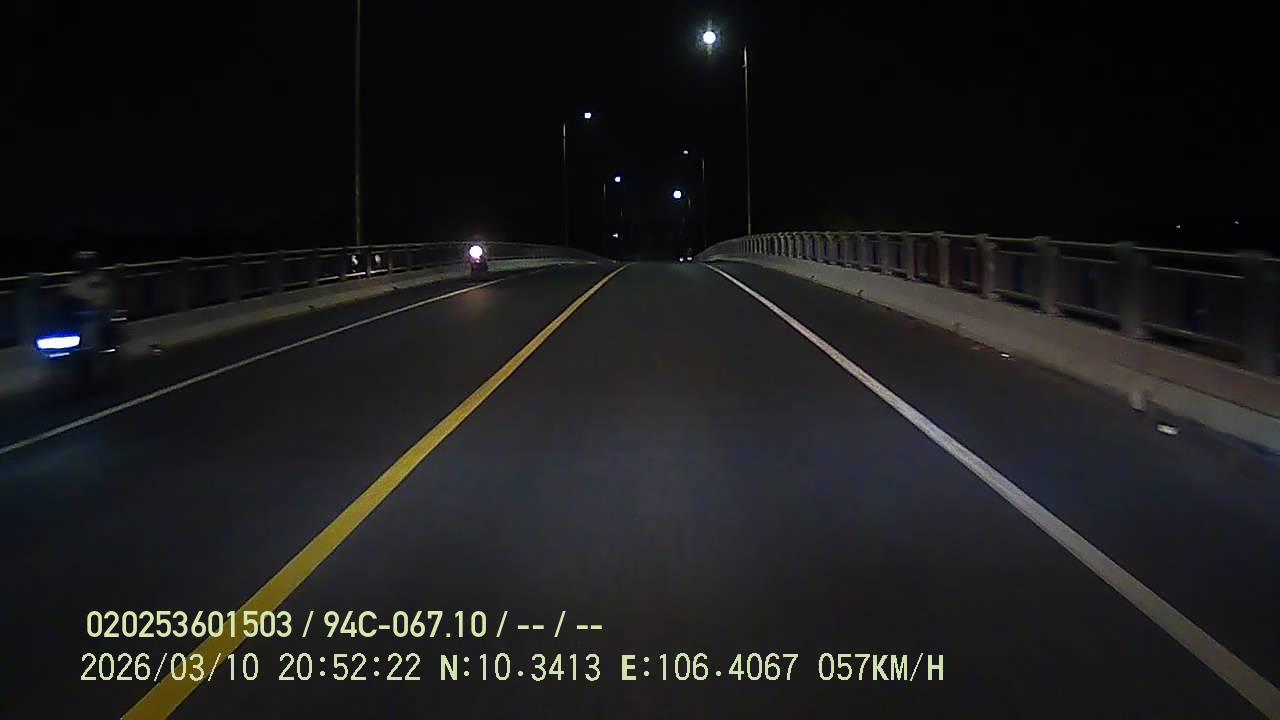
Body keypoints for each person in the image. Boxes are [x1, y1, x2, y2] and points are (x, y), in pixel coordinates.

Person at [62, 251, 118, 349]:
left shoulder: (102, 278)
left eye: (89, 262)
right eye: (83, 262)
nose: (86, 265)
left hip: (102, 318)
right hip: (85, 321)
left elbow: (107, 299)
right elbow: (70, 297)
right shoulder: (75, 281)